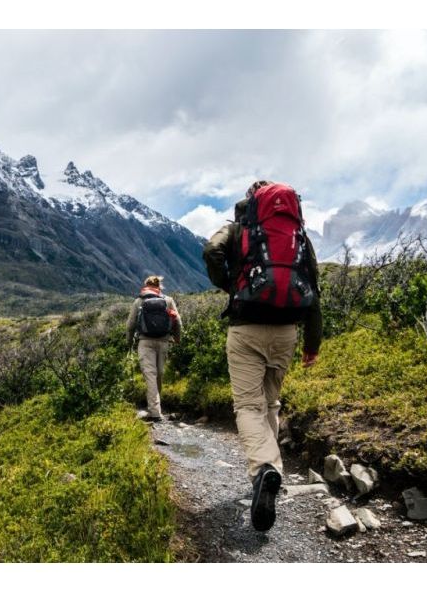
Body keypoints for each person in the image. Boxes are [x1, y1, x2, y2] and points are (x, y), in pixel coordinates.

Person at [203, 180, 322, 532]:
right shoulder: (297, 235)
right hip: (287, 331)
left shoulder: (240, 228)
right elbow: (313, 287)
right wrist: (312, 344)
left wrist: (229, 284)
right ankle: (271, 470)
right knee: (270, 403)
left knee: (248, 406)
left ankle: (264, 470)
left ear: (251, 201)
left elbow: (211, 250)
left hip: (246, 328)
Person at [126, 275, 182, 421]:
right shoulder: (168, 300)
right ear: (159, 286)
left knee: (150, 375)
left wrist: (129, 344)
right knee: (159, 374)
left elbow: (130, 325)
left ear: (146, 285)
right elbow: (178, 321)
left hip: (145, 342)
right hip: (163, 342)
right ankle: (156, 408)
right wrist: (177, 339)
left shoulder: (139, 301)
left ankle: (155, 412)